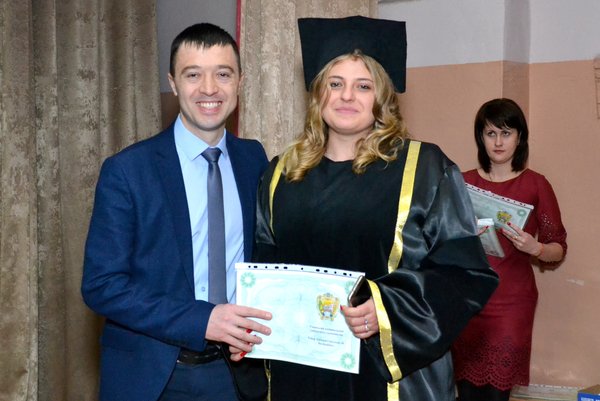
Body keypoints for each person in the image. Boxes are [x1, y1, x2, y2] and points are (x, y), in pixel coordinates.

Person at [234, 16, 499, 401]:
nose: (347, 96)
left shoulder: (423, 169)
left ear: (382, 98)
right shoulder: (281, 174)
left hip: (390, 374)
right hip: (302, 371)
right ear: (317, 93)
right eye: (335, 84)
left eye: (363, 86)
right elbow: (266, 268)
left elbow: (467, 273)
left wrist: (388, 307)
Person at [81, 23, 272, 401]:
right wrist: (203, 320)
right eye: (193, 75)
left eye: (223, 74)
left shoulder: (254, 159)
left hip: (237, 374)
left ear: (240, 82)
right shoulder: (128, 170)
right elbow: (102, 285)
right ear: (173, 83)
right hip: (155, 377)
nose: (209, 89)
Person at [452, 98, 567, 401]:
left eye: (506, 133)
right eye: (491, 133)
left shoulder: (536, 184)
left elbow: (558, 249)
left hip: (512, 302)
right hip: (468, 300)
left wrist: (536, 247)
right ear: (481, 138)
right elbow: (441, 240)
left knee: (497, 392)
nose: (499, 142)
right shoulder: (462, 182)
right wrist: (461, 236)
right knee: (466, 392)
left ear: (520, 137)